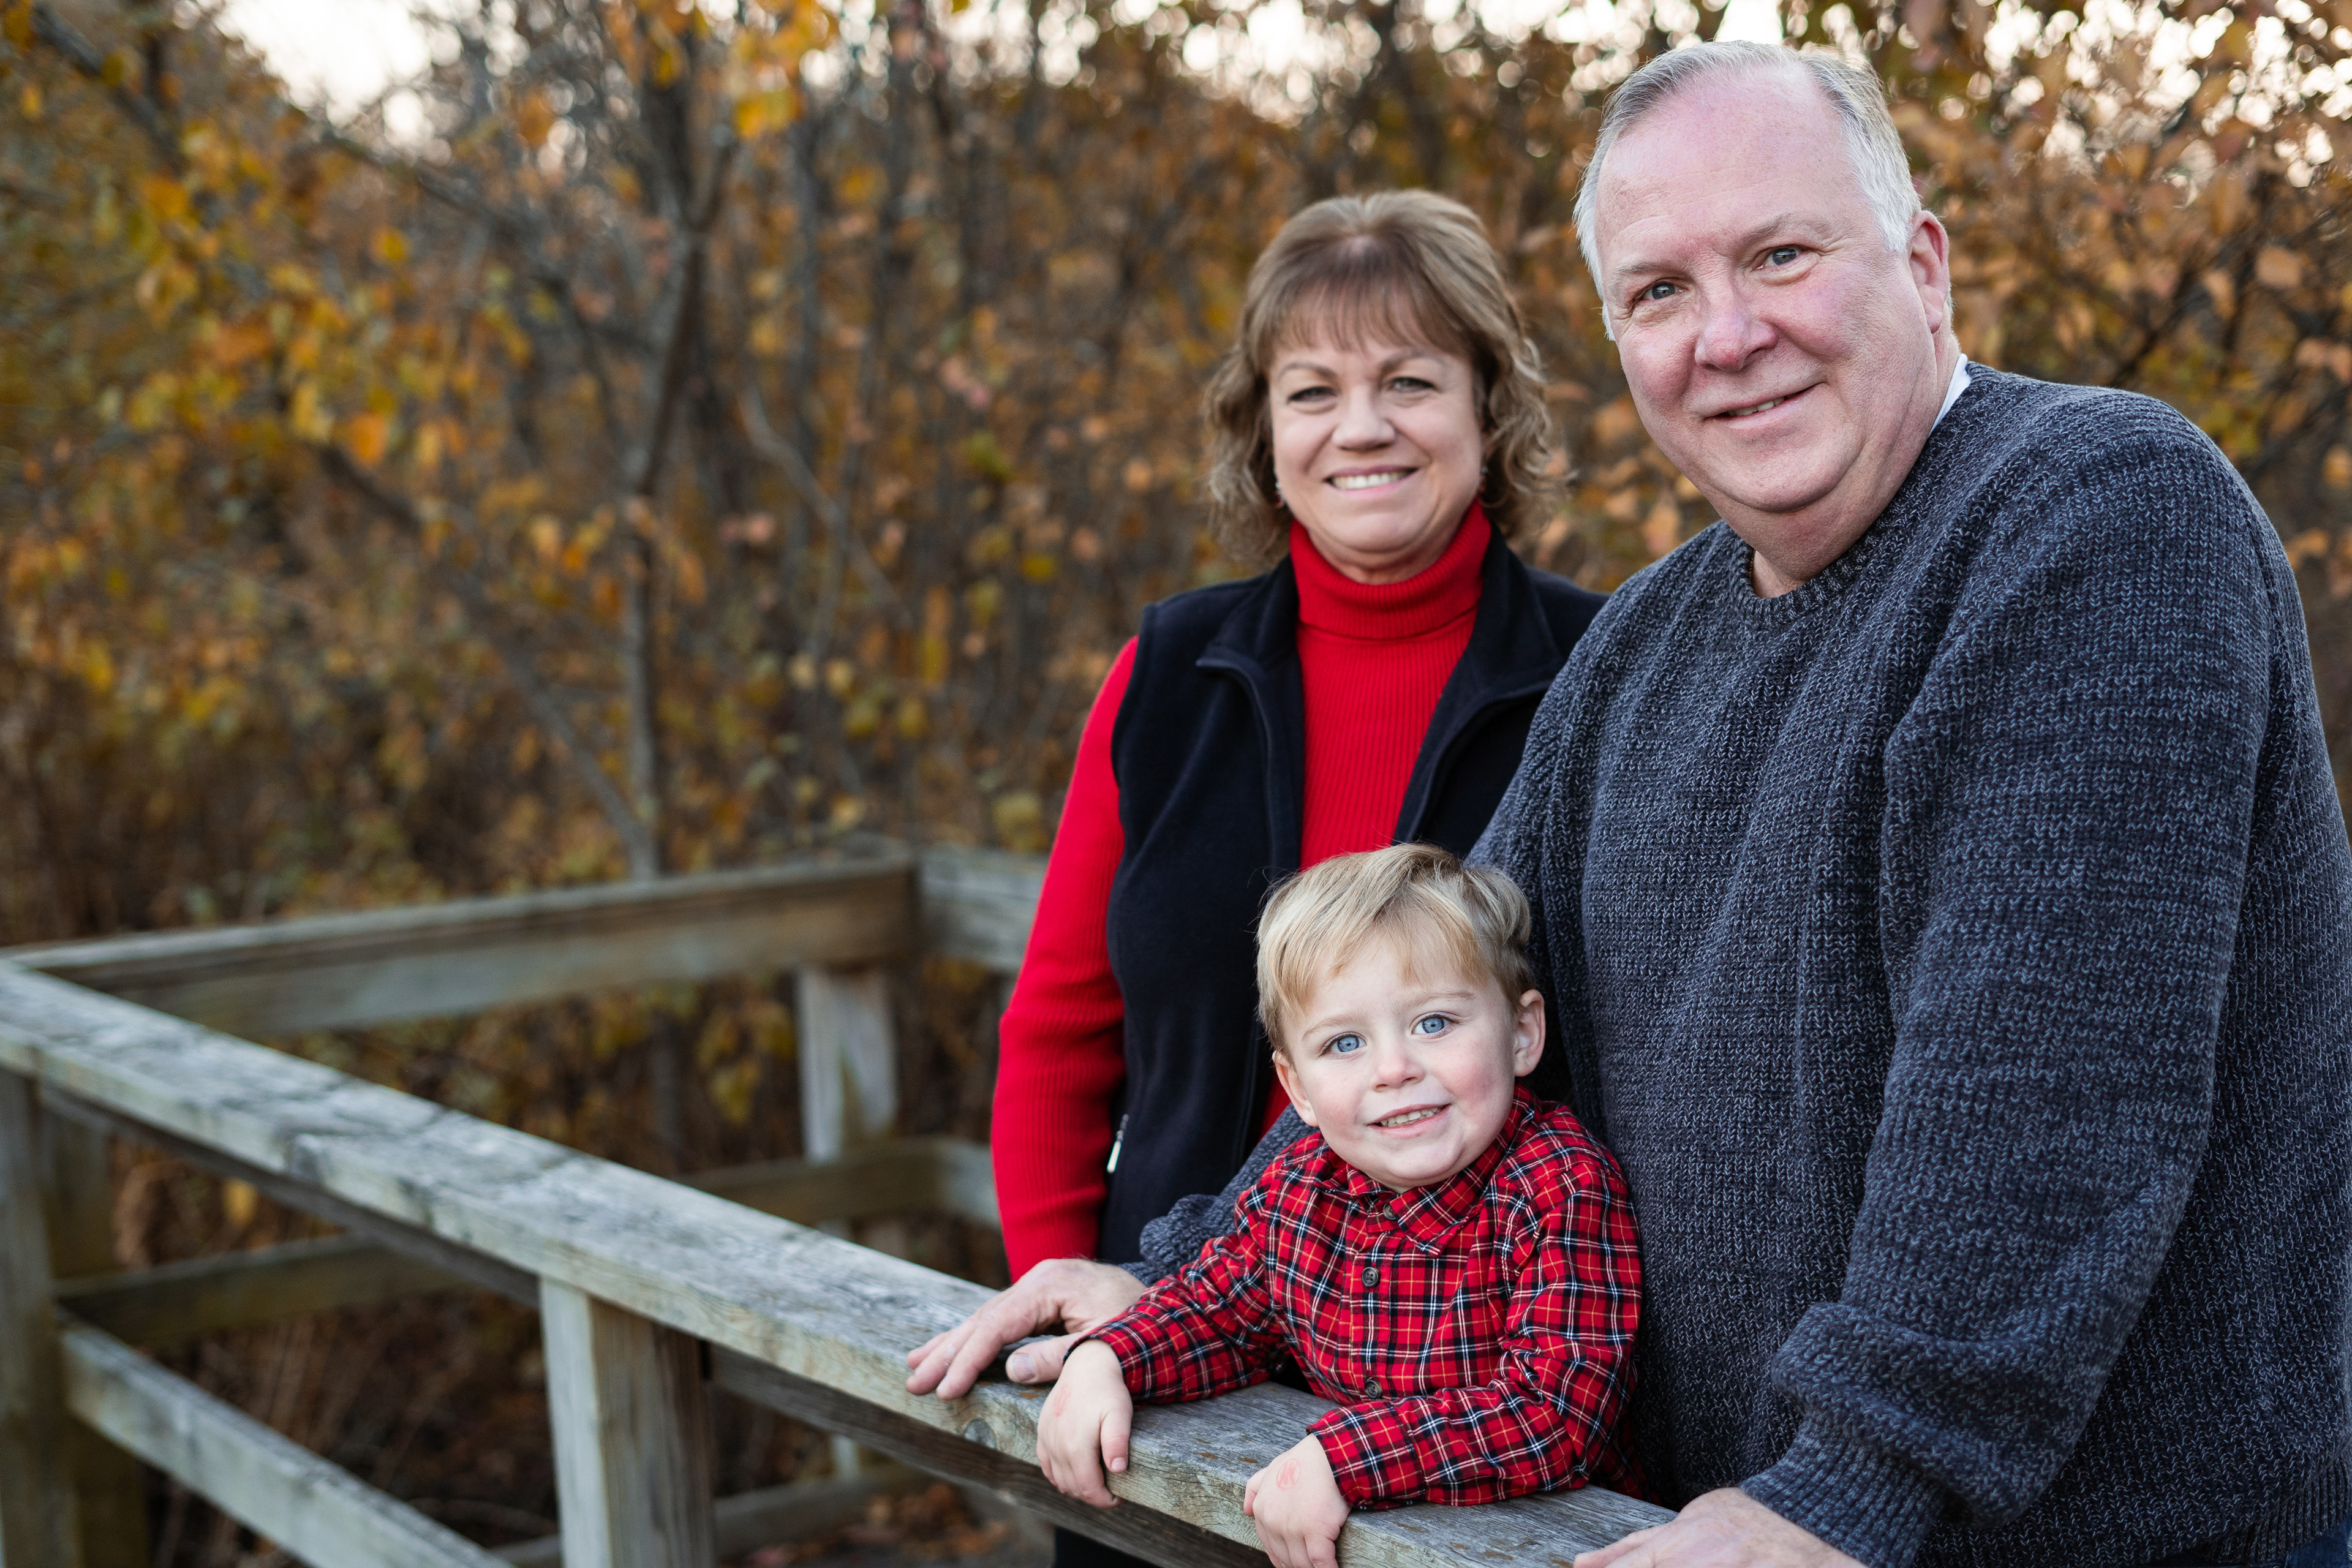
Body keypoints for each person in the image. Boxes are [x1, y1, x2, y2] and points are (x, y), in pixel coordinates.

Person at [934, 38, 2352, 1568]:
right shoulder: (1644, 643)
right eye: (1660, 291)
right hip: (1715, 1524)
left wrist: (1850, 1481)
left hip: (2099, 1541)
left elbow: (2044, 1075)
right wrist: (1188, 1279)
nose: (1727, 336)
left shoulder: (2098, 510)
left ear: (1924, 265)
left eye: (1781, 255)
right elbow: (1428, 1001)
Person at [911, 192, 1608, 1566]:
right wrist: (1068, 1287)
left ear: (1489, 409)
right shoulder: (1168, 676)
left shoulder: (1605, 674)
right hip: (1155, 1367)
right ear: (1264, 430)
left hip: (1465, 1424)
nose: (1363, 426)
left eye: (1410, 381)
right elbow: (1058, 1028)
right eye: (1315, 390)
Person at [1035, 845, 1642, 1568]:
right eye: (1345, 1042)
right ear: (1298, 1088)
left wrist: (1346, 1457)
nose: (1394, 1069)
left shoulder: (1559, 1186)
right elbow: (1218, 1313)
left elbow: (1555, 1414)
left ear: (1521, 1033)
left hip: (1540, 1547)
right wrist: (1109, 1356)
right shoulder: (1300, 1189)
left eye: (1435, 1022)